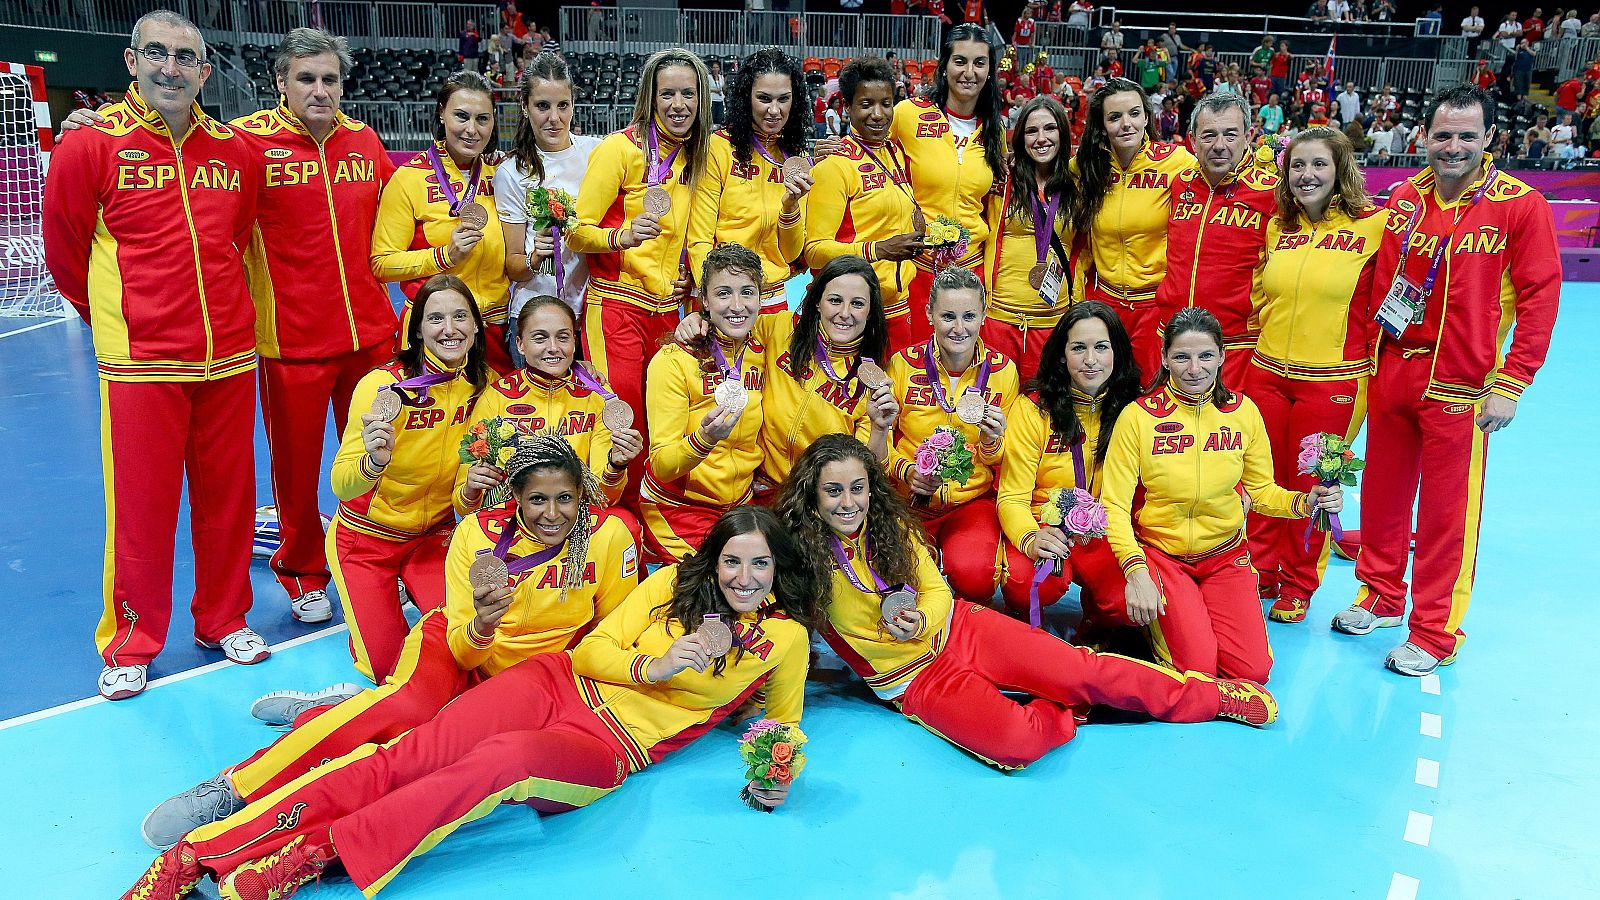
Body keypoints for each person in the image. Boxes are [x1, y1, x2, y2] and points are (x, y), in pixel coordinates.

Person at [123, 506, 820, 900]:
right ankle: (201, 852)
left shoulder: (783, 640)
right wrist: (656, 663)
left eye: (761, 564)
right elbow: (590, 653)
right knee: (410, 754)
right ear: (715, 559)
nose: (745, 575)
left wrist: (774, 769)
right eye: (733, 559)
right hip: (554, 683)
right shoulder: (670, 584)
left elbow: (779, 724)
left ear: (778, 572)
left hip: (607, 748)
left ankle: (310, 851)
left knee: (498, 764)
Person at [133, 433, 638, 849]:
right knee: (407, 707)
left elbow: (611, 633)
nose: (552, 514)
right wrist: (483, 624)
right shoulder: (478, 537)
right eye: (537, 500)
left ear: (583, 495)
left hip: (533, 683)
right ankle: (231, 789)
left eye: (565, 499)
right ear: (514, 498)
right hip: (458, 645)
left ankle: (331, 712)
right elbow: (463, 648)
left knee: (426, 760)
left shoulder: (610, 537)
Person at [773, 434, 1279, 773]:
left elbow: (936, 591)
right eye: (833, 491)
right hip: (915, 680)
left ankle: (1212, 698)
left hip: (962, 628)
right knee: (1017, 745)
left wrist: (921, 618)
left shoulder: (891, 525)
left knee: (1087, 670)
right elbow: (766, 610)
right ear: (812, 496)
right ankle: (1065, 706)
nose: (848, 502)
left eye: (858, 489)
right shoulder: (797, 558)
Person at [43, 10, 269, 700]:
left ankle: (223, 617)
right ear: (131, 60)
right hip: (142, 363)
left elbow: (241, 239)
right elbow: (65, 248)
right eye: (158, 54)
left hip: (229, 356)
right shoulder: (91, 147)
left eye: (185, 58)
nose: (171, 68)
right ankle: (133, 638)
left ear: (205, 71)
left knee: (229, 501)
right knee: (141, 508)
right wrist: (114, 323)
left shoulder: (235, 152)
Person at [1333, 85, 1560, 676]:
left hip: (1461, 387)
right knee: (1381, 498)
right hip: (1393, 374)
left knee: (1445, 516)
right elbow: (1375, 284)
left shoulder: (1519, 205)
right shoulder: (1406, 199)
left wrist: (1513, 381)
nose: (1453, 146)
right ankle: (1379, 595)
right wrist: (1364, 358)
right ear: (1424, 138)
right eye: (1442, 135)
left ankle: (1434, 631)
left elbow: (1540, 297)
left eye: (1466, 136)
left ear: (1488, 139)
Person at [1102, 308, 1344, 681]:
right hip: (1164, 557)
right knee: (1197, 668)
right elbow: (1114, 506)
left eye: (1205, 356)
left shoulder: (1243, 413)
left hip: (1226, 557)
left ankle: (1186, 625)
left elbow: (1262, 492)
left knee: (1253, 672)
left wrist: (1305, 503)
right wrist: (1135, 570)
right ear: (1165, 359)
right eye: (1181, 357)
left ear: (1222, 357)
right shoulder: (1137, 418)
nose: (1194, 368)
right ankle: (1149, 633)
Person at [1246, 127, 1389, 624]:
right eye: (1298, 166)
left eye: (1319, 165)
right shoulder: (1278, 226)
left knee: (1317, 480)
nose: (1307, 175)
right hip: (1266, 373)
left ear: (1341, 170)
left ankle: (1299, 583)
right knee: (1263, 475)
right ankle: (1260, 568)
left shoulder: (1376, 226)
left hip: (1335, 380)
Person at [323, 275, 490, 684]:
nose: (449, 329)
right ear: (416, 329)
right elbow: (341, 484)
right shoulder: (382, 387)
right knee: (391, 672)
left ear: (475, 326)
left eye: (460, 317)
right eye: (436, 319)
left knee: (466, 654)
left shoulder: (481, 389)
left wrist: (470, 492)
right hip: (366, 542)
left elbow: (466, 495)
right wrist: (373, 463)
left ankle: (415, 596)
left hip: (434, 539)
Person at [568, 49, 713, 510]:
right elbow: (574, 230)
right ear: (649, 96)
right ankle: (614, 523)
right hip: (617, 307)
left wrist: (690, 281)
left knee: (665, 419)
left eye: (687, 93)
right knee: (623, 422)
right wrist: (621, 235)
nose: (677, 103)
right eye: (666, 93)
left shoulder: (701, 154)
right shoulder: (620, 149)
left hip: (670, 310)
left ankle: (651, 519)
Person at [997, 301, 1142, 635]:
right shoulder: (1033, 408)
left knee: (1125, 602)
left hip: (1105, 531)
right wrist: (1031, 538)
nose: (1090, 360)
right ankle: (1019, 617)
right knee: (1027, 584)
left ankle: (1098, 619)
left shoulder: (1134, 408)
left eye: (1101, 348)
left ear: (1116, 352)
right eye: (1078, 348)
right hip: (1044, 525)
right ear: (1062, 354)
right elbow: (1011, 497)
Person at [884, 268, 1017, 607]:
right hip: (910, 499)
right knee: (898, 581)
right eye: (948, 316)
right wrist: (906, 471)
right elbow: (880, 436)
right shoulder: (903, 364)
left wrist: (992, 443)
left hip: (970, 503)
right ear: (929, 314)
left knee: (976, 576)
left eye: (969, 316)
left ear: (984, 316)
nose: (959, 328)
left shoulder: (1004, 372)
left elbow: (1007, 459)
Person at [372, 71, 512, 373]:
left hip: (494, 329)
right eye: (461, 116)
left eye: (483, 119)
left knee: (498, 421)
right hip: (434, 331)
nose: (472, 130)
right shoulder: (408, 178)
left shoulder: (502, 173)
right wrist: (444, 256)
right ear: (441, 113)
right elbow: (382, 264)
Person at [455, 297, 643, 518]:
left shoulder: (598, 396)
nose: (553, 348)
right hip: (513, 520)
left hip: (574, 516)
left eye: (563, 337)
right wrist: (471, 489)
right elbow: (463, 506)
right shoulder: (496, 398)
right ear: (520, 344)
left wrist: (615, 466)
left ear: (574, 341)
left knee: (626, 526)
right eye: (540, 338)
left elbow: (604, 499)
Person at [641, 245, 768, 562]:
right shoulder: (673, 359)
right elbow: (662, 465)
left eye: (747, 292)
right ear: (705, 300)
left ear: (760, 298)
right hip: (680, 509)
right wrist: (705, 439)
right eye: (724, 293)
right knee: (724, 588)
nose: (737, 305)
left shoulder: (765, 345)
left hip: (741, 505)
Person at [1149, 94, 1279, 385]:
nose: (1219, 145)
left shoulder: (1274, 192)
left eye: (1230, 135)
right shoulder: (1179, 183)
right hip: (1172, 339)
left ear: (1248, 137)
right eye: (1209, 135)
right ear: (1193, 141)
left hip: (1236, 345)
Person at [890, 24, 1006, 347]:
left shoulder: (995, 131)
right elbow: (872, 155)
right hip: (917, 271)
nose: (969, 72)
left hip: (971, 275)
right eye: (960, 61)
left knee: (965, 377)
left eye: (979, 63)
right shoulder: (908, 115)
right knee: (912, 374)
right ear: (944, 66)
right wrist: (839, 148)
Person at [1071, 78, 1196, 375]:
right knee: (1102, 390)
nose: (1126, 124)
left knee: (1147, 390)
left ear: (1146, 117)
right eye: (1115, 117)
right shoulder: (1087, 166)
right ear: (1102, 126)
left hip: (1155, 306)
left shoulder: (1176, 161)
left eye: (1134, 114)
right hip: (1105, 304)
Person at [806, 57, 923, 348]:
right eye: (866, 104)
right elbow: (813, 251)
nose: (878, 114)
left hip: (899, 307)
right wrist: (878, 250)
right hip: (854, 315)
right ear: (846, 107)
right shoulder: (834, 165)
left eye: (886, 103)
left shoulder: (896, 153)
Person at [688, 48, 815, 316]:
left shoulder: (797, 159)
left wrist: (791, 206)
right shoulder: (718, 149)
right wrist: (710, 297)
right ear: (747, 99)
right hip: (724, 297)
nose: (774, 110)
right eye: (763, 98)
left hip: (775, 301)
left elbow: (791, 254)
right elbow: (699, 238)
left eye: (784, 99)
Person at [496, 52, 600, 339]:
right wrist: (534, 258)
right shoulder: (511, 172)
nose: (554, 118)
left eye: (562, 105)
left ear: (573, 105)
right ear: (525, 107)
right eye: (543, 106)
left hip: (590, 314)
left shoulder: (596, 153)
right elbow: (514, 266)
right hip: (534, 320)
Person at [982, 95, 1080, 381]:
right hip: (1000, 321)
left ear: (1062, 132)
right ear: (1020, 137)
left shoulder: (1078, 183)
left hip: (1055, 323)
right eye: (1031, 131)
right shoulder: (1001, 178)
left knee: (1045, 412)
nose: (1041, 139)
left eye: (1050, 129)